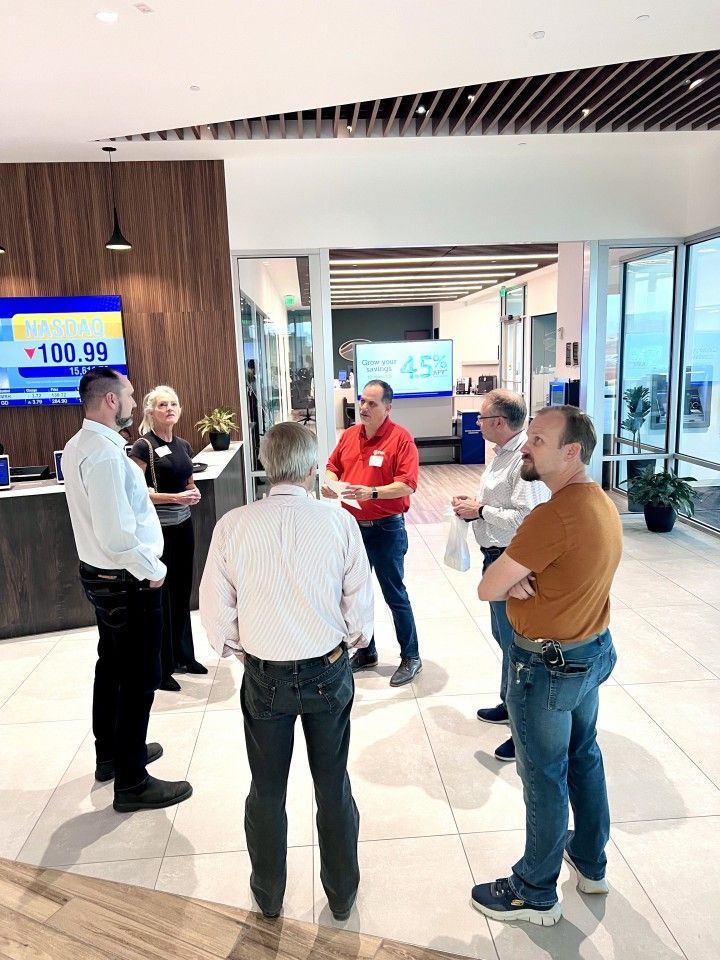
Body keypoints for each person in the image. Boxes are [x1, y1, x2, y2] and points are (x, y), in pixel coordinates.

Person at [200, 421, 373, 921]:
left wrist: (241, 648)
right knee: (332, 784)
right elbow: (359, 608)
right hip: (327, 669)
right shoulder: (339, 522)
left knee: (267, 789)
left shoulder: (233, 524)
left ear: (266, 463)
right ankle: (341, 895)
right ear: (313, 467)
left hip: (265, 674)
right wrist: (348, 639)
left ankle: (270, 894)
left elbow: (215, 611)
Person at [469, 405, 622, 926]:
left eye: (537, 439)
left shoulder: (552, 516)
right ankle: (591, 859)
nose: (526, 448)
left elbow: (488, 585)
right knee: (584, 755)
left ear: (571, 451)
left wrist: (510, 580)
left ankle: (534, 889)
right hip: (589, 652)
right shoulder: (598, 501)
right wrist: (521, 578)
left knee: (544, 775)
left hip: (547, 669)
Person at [62, 367, 193, 813]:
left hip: (104, 577)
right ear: (111, 401)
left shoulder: (83, 445)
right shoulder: (101, 455)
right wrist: (152, 570)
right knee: (138, 677)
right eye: (131, 397)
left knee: (113, 666)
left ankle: (114, 755)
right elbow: (117, 534)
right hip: (127, 581)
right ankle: (133, 782)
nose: (136, 404)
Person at [451, 390, 548, 762]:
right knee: (506, 640)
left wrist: (481, 511)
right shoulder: (502, 455)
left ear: (500, 423)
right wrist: (476, 508)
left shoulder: (523, 461)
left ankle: (523, 731)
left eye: (481, 418)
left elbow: (527, 518)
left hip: (512, 562)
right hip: (495, 557)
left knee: (518, 647)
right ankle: (510, 705)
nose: (477, 424)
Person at [322, 379, 421, 687]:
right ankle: (367, 652)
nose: (363, 407)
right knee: (355, 594)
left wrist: (373, 493)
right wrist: (329, 481)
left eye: (372, 403)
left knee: (394, 594)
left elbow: (407, 484)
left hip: (386, 528)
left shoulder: (400, 439)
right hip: (352, 528)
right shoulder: (350, 435)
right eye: (362, 401)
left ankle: (411, 656)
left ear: (387, 408)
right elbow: (332, 466)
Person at [131, 385, 207, 692]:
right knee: (161, 596)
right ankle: (162, 668)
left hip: (183, 527)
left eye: (174, 403)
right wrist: (175, 498)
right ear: (150, 411)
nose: (170, 409)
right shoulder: (142, 447)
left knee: (181, 591)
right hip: (157, 531)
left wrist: (192, 493)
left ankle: (184, 655)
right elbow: (136, 494)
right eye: (163, 404)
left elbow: (189, 482)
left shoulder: (184, 445)